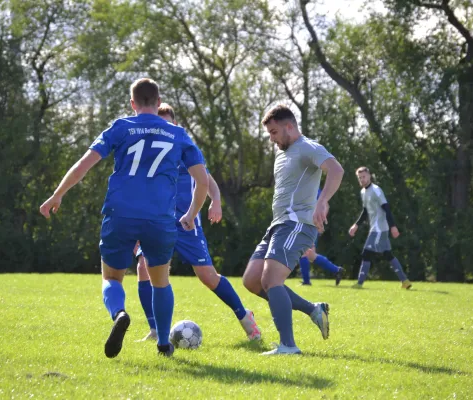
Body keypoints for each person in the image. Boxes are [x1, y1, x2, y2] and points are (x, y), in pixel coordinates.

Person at [39, 78, 208, 358]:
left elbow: (84, 164)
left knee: (112, 277)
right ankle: (164, 343)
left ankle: (119, 313)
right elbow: (201, 182)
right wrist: (191, 214)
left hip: (120, 214)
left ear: (132, 103)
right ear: (158, 101)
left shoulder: (121, 127)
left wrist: (57, 194)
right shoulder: (178, 135)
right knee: (160, 280)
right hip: (160, 218)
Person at [134, 103, 261, 343]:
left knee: (208, 277)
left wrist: (216, 202)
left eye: (168, 123)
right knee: (143, 268)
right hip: (157, 223)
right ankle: (154, 330)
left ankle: (245, 317)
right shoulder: (148, 154)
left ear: (175, 124)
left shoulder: (185, 147)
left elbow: (208, 181)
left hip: (187, 223)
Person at [242, 104, 344, 355]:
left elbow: (336, 169)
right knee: (253, 281)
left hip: (297, 224)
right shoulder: (281, 153)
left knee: (271, 280)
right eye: (269, 133)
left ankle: (288, 346)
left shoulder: (308, 147)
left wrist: (322, 201)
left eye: (274, 132)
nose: (272, 138)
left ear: (289, 126)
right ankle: (313, 309)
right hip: (278, 224)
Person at [348, 166, 412, 289]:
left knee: (366, 253)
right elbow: (365, 211)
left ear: (369, 176)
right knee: (388, 254)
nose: (362, 179)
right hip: (375, 228)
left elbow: (386, 208)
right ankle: (405, 281)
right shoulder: (363, 192)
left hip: (379, 229)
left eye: (364, 177)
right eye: (360, 178)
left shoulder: (376, 190)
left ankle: (360, 283)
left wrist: (393, 226)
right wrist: (356, 225)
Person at [299, 191, 344, 286]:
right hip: (306, 224)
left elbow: (326, 205)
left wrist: (320, 221)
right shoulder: (303, 185)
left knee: (305, 253)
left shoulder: (314, 188)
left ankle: (306, 282)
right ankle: (336, 270)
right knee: (310, 255)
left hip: (310, 225)